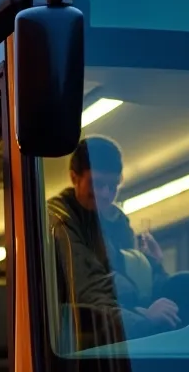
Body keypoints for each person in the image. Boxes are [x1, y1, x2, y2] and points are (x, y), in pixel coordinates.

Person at [49, 136, 179, 341]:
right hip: (82, 341)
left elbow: (131, 283)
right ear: (75, 178)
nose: (105, 194)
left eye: (113, 186)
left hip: (119, 329)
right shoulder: (60, 222)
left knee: (187, 287)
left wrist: (152, 264)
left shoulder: (118, 223)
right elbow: (89, 291)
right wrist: (141, 317)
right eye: (97, 184)